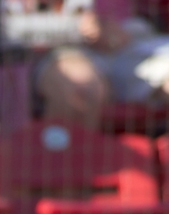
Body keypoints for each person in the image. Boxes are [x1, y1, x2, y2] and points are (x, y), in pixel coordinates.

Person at [31, 0, 169, 130]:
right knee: (80, 92)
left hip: (135, 39)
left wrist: (114, 29)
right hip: (65, 47)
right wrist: (76, 27)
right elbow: (14, 24)